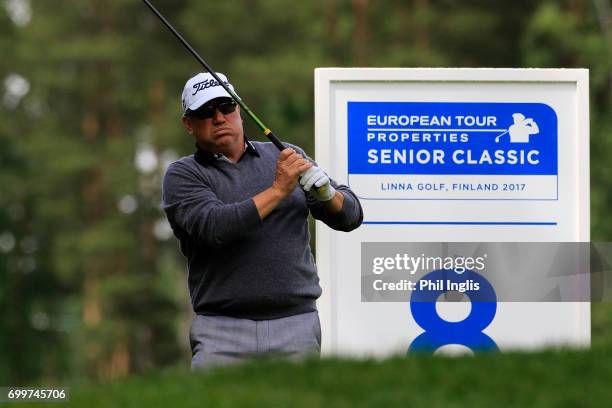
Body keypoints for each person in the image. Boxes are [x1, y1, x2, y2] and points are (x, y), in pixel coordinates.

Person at [162, 72, 363, 370]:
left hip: (296, 325)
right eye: (205, 112)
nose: (219, 118)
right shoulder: (183, 174)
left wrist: (327, 194)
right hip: (221, 331)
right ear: (189, 124)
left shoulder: (283, 155)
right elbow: (215, 227)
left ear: (239, 110)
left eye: (226, 107)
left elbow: (351, 217)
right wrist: (279, 189)